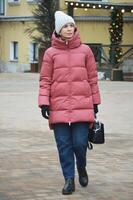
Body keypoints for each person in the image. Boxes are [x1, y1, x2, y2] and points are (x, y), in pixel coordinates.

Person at [38, 11, 101, 195]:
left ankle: (81, 166)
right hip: (58, 106)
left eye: (71, 25)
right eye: (65, 26)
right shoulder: (50, 53)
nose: (69, 29)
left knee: (80, 144)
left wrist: (95, 102)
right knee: (64, 144)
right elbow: (45, 80)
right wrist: (44, 102)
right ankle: (69, 179)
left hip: (82, 105)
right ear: (58, 30)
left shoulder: (85, 51)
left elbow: (92, 78)